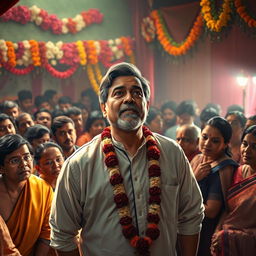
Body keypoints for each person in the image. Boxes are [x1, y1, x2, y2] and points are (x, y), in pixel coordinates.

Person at [50, 62, 204, 256]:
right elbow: (63, 234)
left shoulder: (172, 153)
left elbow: (191, 215)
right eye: (119, 93)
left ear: (146, 106)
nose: (130, 98)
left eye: (137, 93)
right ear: (104, 107)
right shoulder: (79, 165)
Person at [190, 117, 238, 256]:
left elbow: (211, 211)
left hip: (207, 231)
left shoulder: (223, 169)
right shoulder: (198, 159)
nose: (207, 143)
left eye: (215, 141)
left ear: (225, 144)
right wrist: (195, 178)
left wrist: (192, 182)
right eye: (204, 137)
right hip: (190, 224)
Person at [0, 134, 53, 255]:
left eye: (26, 157)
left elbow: (46, 234)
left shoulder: (43, 188)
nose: (24, 164)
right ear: (1, 168)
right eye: (15, 160)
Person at [211, 125, 256, 256]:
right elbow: (228, 209)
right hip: (224, 238)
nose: (247, 150)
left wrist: (231, 236)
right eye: (245, 144)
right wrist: (217, 232)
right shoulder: (238, 171)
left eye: (254, 147)